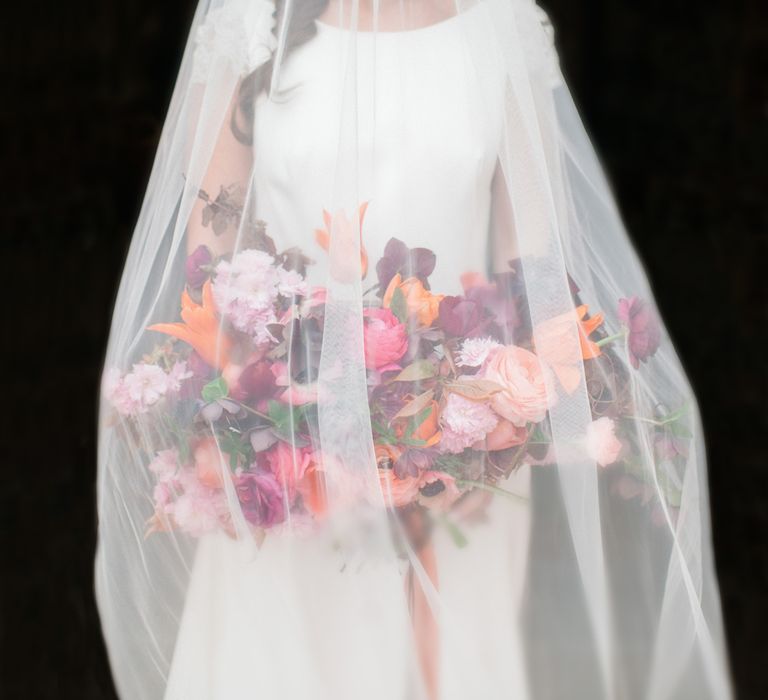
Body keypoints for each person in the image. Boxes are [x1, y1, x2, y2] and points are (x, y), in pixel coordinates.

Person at [96, 1, 732, 698]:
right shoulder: (253, 20)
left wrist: (494, 429)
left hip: (459, 465)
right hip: (286, 464)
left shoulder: (503, 26)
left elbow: (535, 265)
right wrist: (233, 392)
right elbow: (212, 238)